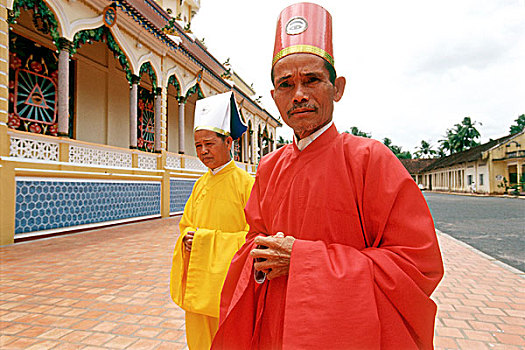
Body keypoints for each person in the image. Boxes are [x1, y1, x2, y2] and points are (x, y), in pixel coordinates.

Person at [211, 3, 444, 349]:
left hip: (348, 333)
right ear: (274, 98)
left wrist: (304, 261)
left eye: (312, 80)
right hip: (277, 327)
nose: (299, 94)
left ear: (338, 88)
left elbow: (418, 264)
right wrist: (259, 254)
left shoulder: (370, 160)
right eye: (286, 85)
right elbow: (253, 244)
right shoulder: (268, 167)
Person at [170, 91, 254, 349]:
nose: (203, 151)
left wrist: (207, 242)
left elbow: (254, 238)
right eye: (198, 146)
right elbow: (186, 226)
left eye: (209, 143)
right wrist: (186, 240)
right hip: (198, 283)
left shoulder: (247, 184)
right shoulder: (199, 185)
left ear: (228, 142)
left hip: (227, 285)